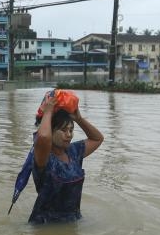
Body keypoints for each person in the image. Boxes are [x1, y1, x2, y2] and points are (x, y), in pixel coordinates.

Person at [29, 92, 104, 224]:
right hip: (45, 227)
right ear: (51, 131)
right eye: (64, 130)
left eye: (71, 130)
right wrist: (48, 113)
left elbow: (97, 138)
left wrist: (79, 119)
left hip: (73, 221)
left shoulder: (73, 152)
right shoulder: (43, 156)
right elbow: (44, 138)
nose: (69, 135)